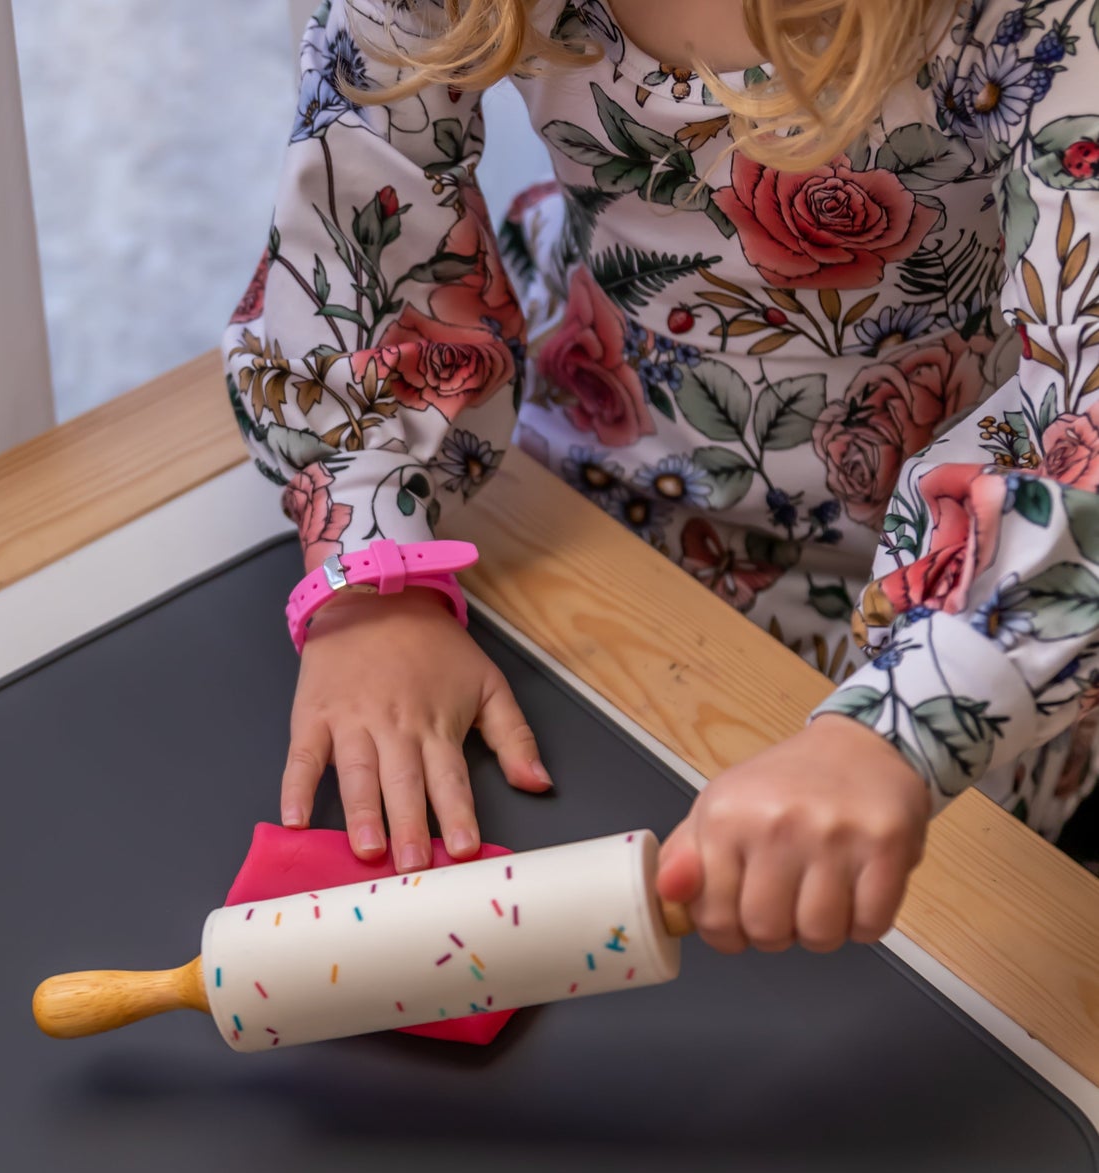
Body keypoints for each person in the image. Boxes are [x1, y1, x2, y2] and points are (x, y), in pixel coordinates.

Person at [223, 0, 1099, 956]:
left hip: (957, 604)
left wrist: (901, 727)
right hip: (587, 503)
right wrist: (371, 572)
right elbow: (358, 226)